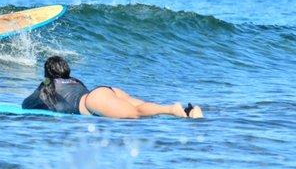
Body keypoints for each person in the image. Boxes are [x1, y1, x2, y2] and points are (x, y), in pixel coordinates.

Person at [23, 56, 204, 119]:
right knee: (140, 106)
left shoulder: (48, 84)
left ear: (48, 74)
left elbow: (27, 104)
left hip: (93, 101)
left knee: (137, 114)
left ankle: (173, 109)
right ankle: (188, 112)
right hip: (105, 91)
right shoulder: (75, 80)